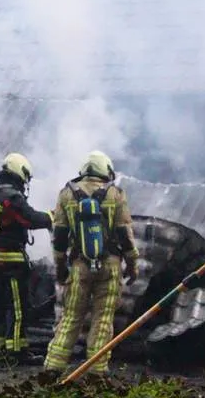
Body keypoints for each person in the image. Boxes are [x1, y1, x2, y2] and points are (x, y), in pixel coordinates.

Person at [43, 151, 139, 375]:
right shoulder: (115, 194)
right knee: (103, 317)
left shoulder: (66, 195)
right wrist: (132, 264)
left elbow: (59, 236)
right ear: (106, 171)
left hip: (79, 266)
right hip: (111, 266)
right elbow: (125, 233)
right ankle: (97, 370)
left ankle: (53, 366)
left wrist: (59, 268)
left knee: (71, 315)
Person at [0, 153, 54, 359]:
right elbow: (30, 219)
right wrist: (52, 216)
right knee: (18, 306)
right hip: (11, 261)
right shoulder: (12, 197)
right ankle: (17, 350)